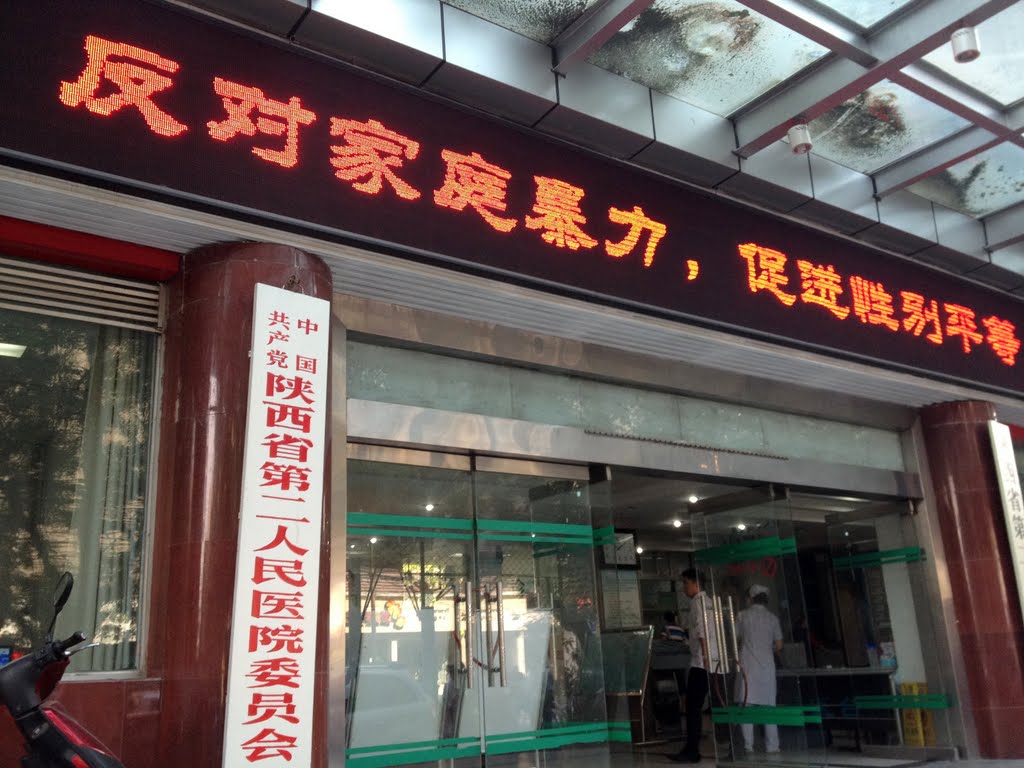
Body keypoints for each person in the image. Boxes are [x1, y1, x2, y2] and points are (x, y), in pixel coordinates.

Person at [669, 568, 727, 763]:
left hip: (702, 663)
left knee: (693, 707)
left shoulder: (697, 602)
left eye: (685, 583)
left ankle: (692, 750)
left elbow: (702, 631)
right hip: (716, 662)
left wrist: (705, 657)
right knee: (718, 705)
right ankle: (728, 744)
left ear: (695, 583)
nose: (683, 587)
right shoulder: (710, 602)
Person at [734, 584, 784, 755]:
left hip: (748, 666)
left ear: (750, 598)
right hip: (767, 667)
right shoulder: (773, 618)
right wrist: (766, 649)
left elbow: (734, 637)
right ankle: (773, 746)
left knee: (746, 706)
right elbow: (779, 645)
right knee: (769, 706)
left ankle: (748, 746)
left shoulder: (742, 616)